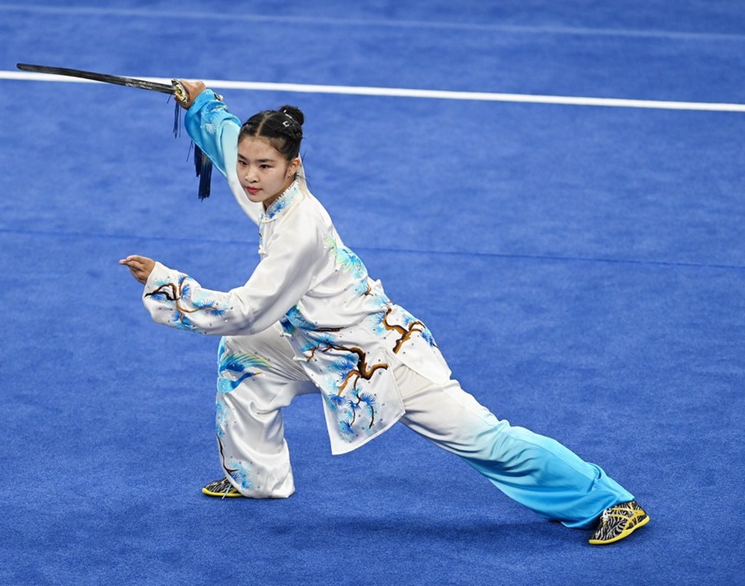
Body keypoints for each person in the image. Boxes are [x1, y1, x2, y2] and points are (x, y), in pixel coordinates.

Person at [120, 80, 649, 545]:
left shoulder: (300, 229)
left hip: (380, 356)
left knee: (484, 439)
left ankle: (607, 501)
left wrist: (168, 285)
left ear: (292, 167)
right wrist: (203, 104)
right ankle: (255, 476)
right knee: (242, 359)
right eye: (245, 163)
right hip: (318, 344)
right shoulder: (269, 190)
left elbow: (247, 309)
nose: (250, 176)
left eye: (264, 166)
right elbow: (231, 143)